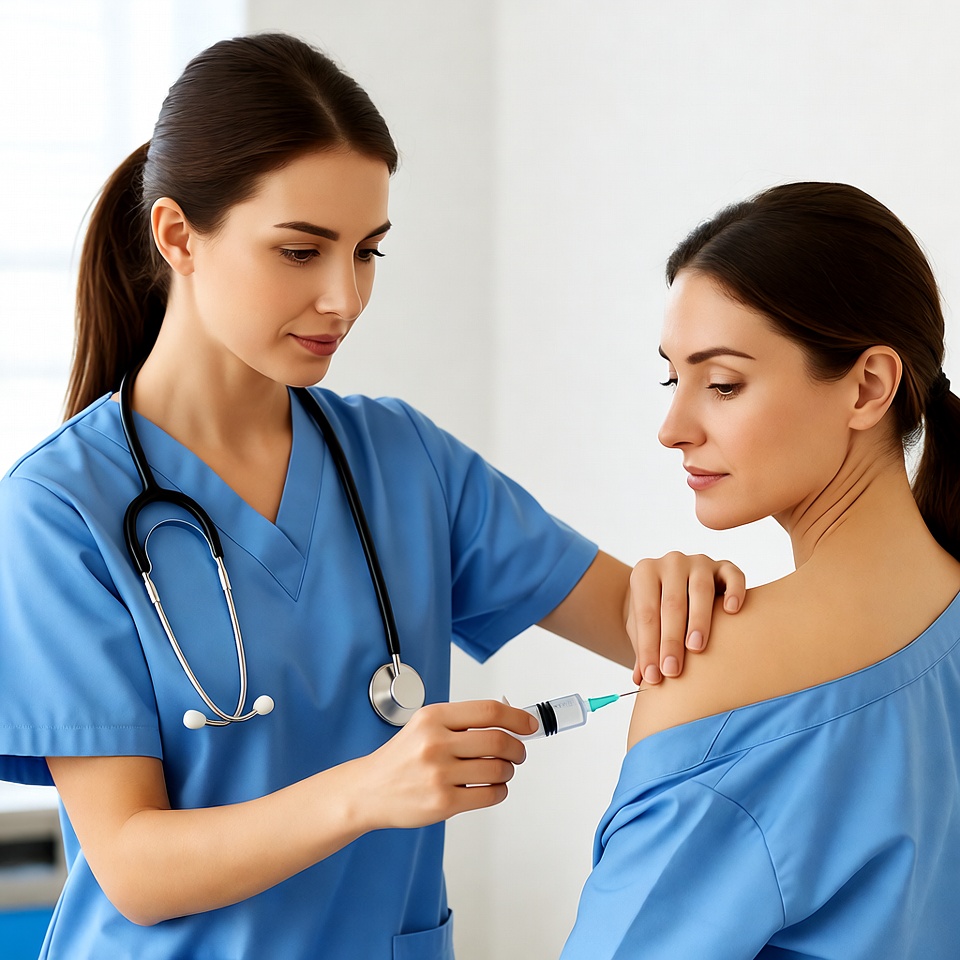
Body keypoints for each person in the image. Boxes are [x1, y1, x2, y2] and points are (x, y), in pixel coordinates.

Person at [0, 34, 743, 959]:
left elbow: (655, 632)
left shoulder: (403, 463)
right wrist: (370, 790)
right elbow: (134, 868)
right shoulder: (60, 509)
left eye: (367, 251)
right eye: (302, 251)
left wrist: (682, 592)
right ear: (178, 236)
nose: (343, 298)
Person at [561, 181, 960, 959]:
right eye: (672, 379)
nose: (672, 428)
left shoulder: (720, 675)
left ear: (868, 386)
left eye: (722, 383)